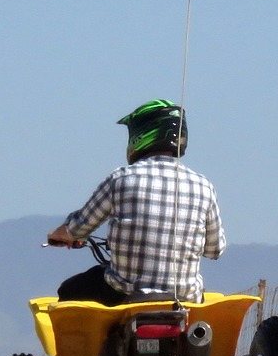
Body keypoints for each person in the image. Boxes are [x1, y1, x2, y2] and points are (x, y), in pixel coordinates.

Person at [46, 100, 225, 303]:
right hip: (184, 299)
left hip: (124, 294)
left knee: (69, 290)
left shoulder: (121, 179)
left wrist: (59, 235)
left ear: (142, 134)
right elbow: (215, 249)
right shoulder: (203, 186)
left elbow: (78, 227)